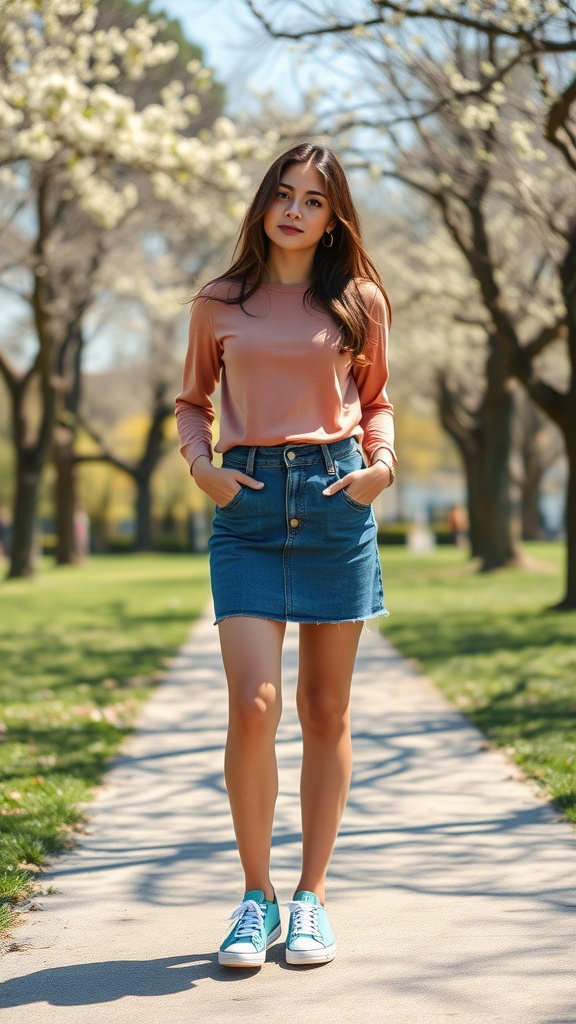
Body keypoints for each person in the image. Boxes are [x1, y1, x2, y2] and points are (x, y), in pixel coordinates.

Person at [175, 142, 396, 969]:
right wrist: (205, 472)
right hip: (250, 505)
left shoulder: (359, 300)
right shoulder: (218, 301)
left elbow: (377, 401)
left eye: (313, 198)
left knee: (325, 710)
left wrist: (380, 469)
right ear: (264, 202)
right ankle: (254, 896)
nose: (296, 209)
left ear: (334, 215)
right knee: (254, 705)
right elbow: (191, 401)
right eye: (284, 193)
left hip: (338, 500)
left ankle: (311, 899)